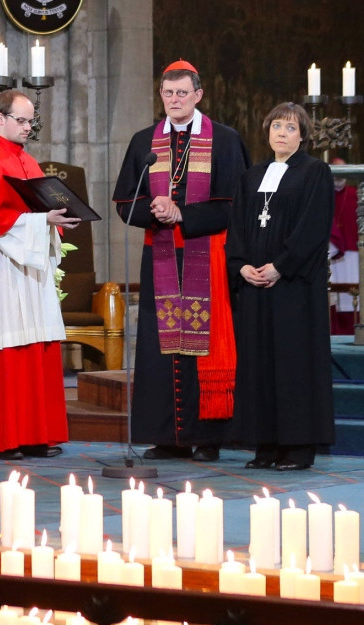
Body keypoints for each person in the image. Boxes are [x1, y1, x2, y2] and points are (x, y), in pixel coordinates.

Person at [111, 59, 250, 463]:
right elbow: (124, 201)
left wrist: (183, 214)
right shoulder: (143, 142)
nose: (174, 100)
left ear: (198, 95)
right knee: (161, 349)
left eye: (182, 93)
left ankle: (208, 438)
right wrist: (154, 211)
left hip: (206, 255)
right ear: (161, 96)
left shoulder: (224, 140)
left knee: (201, 349)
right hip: (160, 258)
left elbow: (234, 205)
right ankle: (166, 436)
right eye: (168, 93)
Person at [0, 89, 79, 460]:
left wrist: (53, 218)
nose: (27, 128)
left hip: (25, 267)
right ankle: (2, 439)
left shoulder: (25, 159)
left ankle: (36, 434)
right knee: (5, 348)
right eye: (21, 120)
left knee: (33, 346)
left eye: (31, 121)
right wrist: (43, 220)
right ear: (1, 119)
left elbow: (40, 206)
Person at [227, 103, 335, 471]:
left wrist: (280, 266)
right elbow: (238, 225)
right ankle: (266, 445)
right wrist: (241, 266)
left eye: (290, 128)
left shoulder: (315, 172)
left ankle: (298, 447)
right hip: (256, 286)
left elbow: (313, 228)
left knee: (293, 365)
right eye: (276, 126)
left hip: (294, 289)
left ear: (303, 135)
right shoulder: (252, 175)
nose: (281, 133)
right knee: (259, 365)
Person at [328, 157, 360, 335]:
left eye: (342, 171)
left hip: (353, 255)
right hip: (330, 252)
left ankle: (353, 329)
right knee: (333, 297)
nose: (339, 176)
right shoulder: (322, 195)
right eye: (335, 171)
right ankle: (334, 331)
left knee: (351, 295)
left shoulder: (357, 195)